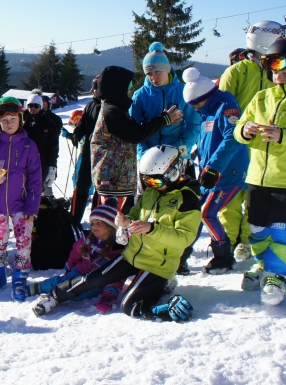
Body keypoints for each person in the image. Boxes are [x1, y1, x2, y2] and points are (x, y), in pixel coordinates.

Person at [34, 145, 199, 322]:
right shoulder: (151, 192)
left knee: (130, 307)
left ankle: (163, 293)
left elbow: (185, 237)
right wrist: (126, 221)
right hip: (133, 254)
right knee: (94, 278)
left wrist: (152, 228)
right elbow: (136, 212)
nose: (151, 186)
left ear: (172, 173)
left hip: (158, 264)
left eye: (155, 182)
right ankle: (54, 296)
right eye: (147, 181)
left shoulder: (188, 199)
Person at [234, 37, 286, 305]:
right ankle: (262, 263)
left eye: (285, 72)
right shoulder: (262, 97)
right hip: (257, 175)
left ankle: (276, 275)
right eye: (275, 72)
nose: (278, 78)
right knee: (256, 226)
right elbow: (238, 128)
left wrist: (284, 135)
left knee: (279, 228)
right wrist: (245, 130)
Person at [181, 67, 250, 275]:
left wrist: (214, 168)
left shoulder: (226, 106)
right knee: (194, 211)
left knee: (207, 213)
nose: (194, 108)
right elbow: (209, 140)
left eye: (195, 103)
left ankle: (223, 256)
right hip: (211, 173)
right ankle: (182, 255)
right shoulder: (207, 111)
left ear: (205, 96)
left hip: (229, 174)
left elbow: (232, 138)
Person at [0, 97, 43, 301]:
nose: (9, 123)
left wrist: (32, 207)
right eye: (4, 121)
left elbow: (35, 179)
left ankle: (20, 275)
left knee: (23, 242)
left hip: (22, 205)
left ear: (20, 119)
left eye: (13, 119)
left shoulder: (29, 146)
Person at [90, 66, 182, 214]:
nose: (130, 92)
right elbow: (136, 134)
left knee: (119, 221)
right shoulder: (112, 112)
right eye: (128, 87)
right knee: (114, 221)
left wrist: (162, 120)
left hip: (116, 180)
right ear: (117, 88)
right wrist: (164, 119)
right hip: (113, 182)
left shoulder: (114, 109)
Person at [26, 200, 124, 312]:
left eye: (99, 223)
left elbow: (116, 278)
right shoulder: (87, 240)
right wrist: (69, 268)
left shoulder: (116, 250)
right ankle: (37, 288)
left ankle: (53, 298)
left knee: (81, 293)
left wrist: (107, 298)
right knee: (61, 281)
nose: (94, 227)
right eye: (92, 223)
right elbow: (74, 255)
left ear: (111, 226)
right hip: (79, 271)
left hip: (97, 283)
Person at [130, 42, 200, 176]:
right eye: (149, 73)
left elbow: (194, 124)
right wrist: (144, 154)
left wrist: (181, 149)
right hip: (150, 159)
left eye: (157, 71)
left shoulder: (184, 92)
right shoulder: (140, 95)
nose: (153, 77)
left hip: (178, 155)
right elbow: (134, 130)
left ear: (167, 69)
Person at [220, 20, 286, 112]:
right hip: (242, 120)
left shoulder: (281, 69)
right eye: (279, 41)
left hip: (272, 120)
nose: (282, 46)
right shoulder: (236, 71)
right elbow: (223, 105)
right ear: (265, 42)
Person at [66, 78, 101, 222]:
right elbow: (82, 125)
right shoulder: (90, 105)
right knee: (81, 187)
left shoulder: (108, 106)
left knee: (99, 190)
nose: (92, 90)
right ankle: (74, 221)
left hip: (102, 156)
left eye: (95, 87)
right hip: (88, 153)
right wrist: (76, 134)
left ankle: (97, 222)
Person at [23, 91, 63, 197]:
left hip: (41, 164)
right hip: (22, 163)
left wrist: (52, 167)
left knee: (36, 194)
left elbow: (53, 148)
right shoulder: (21, 122)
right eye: (30, 105)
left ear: (41, 107)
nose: (33, 108)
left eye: (36, 106)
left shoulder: (48, 124)